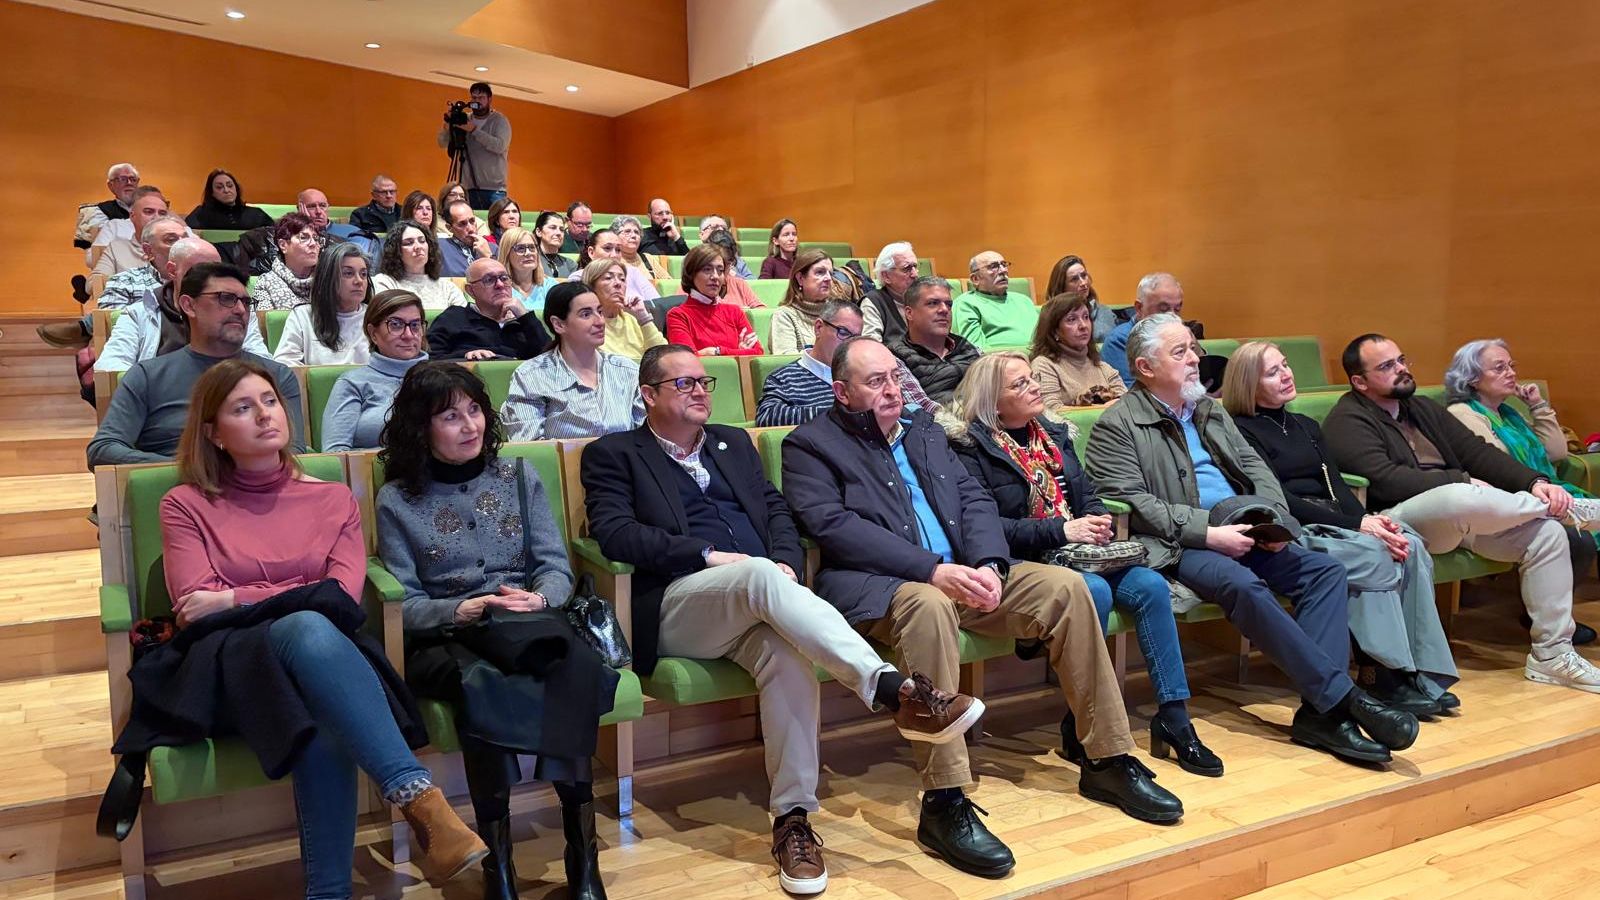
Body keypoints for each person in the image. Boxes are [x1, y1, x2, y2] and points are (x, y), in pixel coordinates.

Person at [582, 343, 981, 891]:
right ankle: (892, 691)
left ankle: (793, 820)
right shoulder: (615, 453)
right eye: (684, 384)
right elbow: (615, 533)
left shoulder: (731, 443)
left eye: (705, 382)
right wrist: (708, 557)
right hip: (679, 606)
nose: (701, 391)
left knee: (788, 657)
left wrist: (789, 565)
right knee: (757, 575)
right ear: (648, 395)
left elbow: (776, 513)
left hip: (761, 602)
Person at [783, 338, 1185, 875]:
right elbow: (834, 527)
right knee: (927, 605)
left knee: (1064, 588)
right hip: (881, 587)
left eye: (895, 377)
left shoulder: (923, 431)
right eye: (874, 381)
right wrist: (932, 569)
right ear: (842, 391)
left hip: (964, 574)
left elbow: (973, 498)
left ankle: (1106, 757)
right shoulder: (809, 444)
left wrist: (992, 564)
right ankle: (945, 800)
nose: (891, 389)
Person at [158, 358, 486, 896]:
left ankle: (330, 893)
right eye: (243, 408)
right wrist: (287, 597)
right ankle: (418, 799)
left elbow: (343, 595)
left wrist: (233, 596)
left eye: (269, 401)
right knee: (307, 629)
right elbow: (193, 605)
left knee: (317, 685)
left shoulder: (333, 497)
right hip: (233, 665)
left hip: (320, 659)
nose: (265, 415)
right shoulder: (186, 504)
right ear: (214, 434)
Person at [1083, 314, 1420, 765]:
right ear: (1145, 367)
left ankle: (1322, 715)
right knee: (1243, 584)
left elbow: (1259, 471)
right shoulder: (1117, 425)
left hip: (1247, 526)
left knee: (1324, 572)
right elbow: (1132, 502)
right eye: (1180, 352)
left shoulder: (1208, 408)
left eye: (1193, 349)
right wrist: (1210, 533)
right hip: (1181, 546)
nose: (1194, 360)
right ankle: (1343, 700)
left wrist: (1274, 522)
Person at [376, 362, 616, 900]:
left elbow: (554, 566)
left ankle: (583, 858)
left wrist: (541, 597)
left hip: (528, 620)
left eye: (474, 411)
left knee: (574, 666)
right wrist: (458, 610)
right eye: (449, 416)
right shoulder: (397, 499)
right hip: (451, 634)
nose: (469, 425)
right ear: (421, 427)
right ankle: (498, 867)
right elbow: (407, 605)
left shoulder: (518, 476)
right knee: (483, 684)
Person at [947, 352, 1220, 775]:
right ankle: (1084, 719)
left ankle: (1173, 716)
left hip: (1079, 555)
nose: (1034, 388)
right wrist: (1062, 531)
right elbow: (985, 526)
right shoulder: (970, 448)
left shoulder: (1054, 433)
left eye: (1032, 380)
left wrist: (1096, 522)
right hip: (1029, 563)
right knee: (1091, 591)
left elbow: (1086, 493)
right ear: (992, 401)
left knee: (1148, 585)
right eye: (1019, 385)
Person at [1324, 334, 1600, 691]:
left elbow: (1477, 451)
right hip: (1400, 520)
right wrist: (1462, 479)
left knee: (1546, 535)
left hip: (1460, 515)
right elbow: (1386, 480)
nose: (1402, 370)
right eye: (1387, 366)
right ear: (1359, 382)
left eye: (1401, 360)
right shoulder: (1346, 420)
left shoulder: (1422, 408)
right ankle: (1574, 511)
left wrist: (1534, 482)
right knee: (1459, 494)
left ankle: (1552, 655)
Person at [1223, 341, 1460, 715]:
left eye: (1285, 365)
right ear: (1247, 384)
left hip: (1336, 520)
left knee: (1407, 542)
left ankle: (1421, 670)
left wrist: (1373, 521)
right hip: (1297, 527)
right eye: (1273, 372)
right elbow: (1279, 499)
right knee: (1375, 555)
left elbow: (1336, 485)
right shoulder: (1240, 431)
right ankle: (1380, 673)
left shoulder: (1304, 424)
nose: (1287, 374)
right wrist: (1358, 524)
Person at [88, 262, 306, 467]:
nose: (240, 310)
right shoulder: (147, 376)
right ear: (189, 305)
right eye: (226, 298)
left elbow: (294, 451)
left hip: (259, 490)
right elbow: (103, 450)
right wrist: (193, 470)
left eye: (246, 302)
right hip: (172, 485)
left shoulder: (277, 375)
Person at [1445, 338, 1600, 580]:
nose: (1511, 373)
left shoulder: (1509, 413)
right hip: (1512, 501)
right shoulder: (1462, 414)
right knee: (1578, 537)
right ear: (1472, 378)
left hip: (1543, 492)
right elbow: (1496, 466)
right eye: (1499, 368)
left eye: (1511, 366)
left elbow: (1556, 453)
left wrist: (1537, 406)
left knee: (1587, 527)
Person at [95, 238, 273, 373]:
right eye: (201, 269)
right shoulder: (139, 313)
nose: (211, 277)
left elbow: (261, 360)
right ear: (172, 271)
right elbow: (110, 366)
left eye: (216, 269)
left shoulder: (236, 310)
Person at [500, 282, 645, 441]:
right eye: (586, 314)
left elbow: (644, 437)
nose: (600, 322)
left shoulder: (627, 370)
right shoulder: (531, 376)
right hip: (561, 465)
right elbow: (531, 450)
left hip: (624, 464)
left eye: (600, 312)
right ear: (559, 324)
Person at [320, 290, 429, 453]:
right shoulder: (353, 383)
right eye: (396, 325)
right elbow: (336, 455)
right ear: (373, 333)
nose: (408, 335)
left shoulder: (445, 379)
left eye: (415, 325)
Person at [755, 300, 863, 427]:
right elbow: (766, 417)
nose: (849, 344)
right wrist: (838, 414)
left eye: (855, 338)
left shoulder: (861, 374)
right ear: (818, 328)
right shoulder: (784, 378)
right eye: (843, 332)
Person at [428, 258, 550, 361]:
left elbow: (551, 359)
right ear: (470, 290)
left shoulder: (524, 321)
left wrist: (525, 317)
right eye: (489, 280)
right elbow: (430, 360)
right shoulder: (453, 318)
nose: (500, 285)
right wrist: (465, 357)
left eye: (504, 278)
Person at [273, 242, 373, 366]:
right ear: (328, 278)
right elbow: (285, 364)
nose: (359, 281)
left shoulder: (375, 317)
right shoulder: (303, 316)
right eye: (348, 273)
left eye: (363, 274)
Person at [887, 277, 980, 405]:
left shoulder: (967, 347)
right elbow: (922, 407)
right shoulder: (895, 357)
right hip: (941, 422)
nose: (944, 310)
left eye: (949, 304)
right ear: (909, 313)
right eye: (933, 303)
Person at [1030, 293, 1127, 411]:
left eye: (1086, 317)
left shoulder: (1103, 367)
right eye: (1071, 319)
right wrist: (1103, 409)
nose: (1083, 325)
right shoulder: (1044, 365)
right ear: (1054, 331)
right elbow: (1050, 412)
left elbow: (1127, 405)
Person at [665, 246, 763, 356]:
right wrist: (738, 352)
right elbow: (687, 358)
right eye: (707, 269)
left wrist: (716, 351)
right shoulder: (678, 315)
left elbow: (758, 352)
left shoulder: (735, 312)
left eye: (720, 270)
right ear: (691, 274)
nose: (715, 276)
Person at [1100, 273, 1184, 387]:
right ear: (1139, 308)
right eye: (1164, 310)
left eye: (1177, 309)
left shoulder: (1181, 335)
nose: (1173, 318)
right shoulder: (1119, 340)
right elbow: (1128, 393)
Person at [437, 82, 512, 209]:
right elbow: (442, 143)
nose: (477, 101)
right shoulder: (464, 119)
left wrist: (473, 130)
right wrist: (448, 123)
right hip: (468, 187)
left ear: (489, 99)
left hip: (494, 189)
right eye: (474, 98)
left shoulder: (499, 120)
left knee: (495, 225)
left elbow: (500, 146)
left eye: (481, 98)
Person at [581, 258, 666, 360]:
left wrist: (643, 317)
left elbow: (664, 355)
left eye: (622, 279)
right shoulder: (586, 323)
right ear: (591, 286)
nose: (618, 284)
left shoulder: (633, 319)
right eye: (608, 278)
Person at [953, 251, 1038, 351]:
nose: (1003, 271)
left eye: (1004, 264)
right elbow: (976, 349)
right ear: (975, 279)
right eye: (993, 266)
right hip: (999, 363)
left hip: (1039, 359)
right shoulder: (966, 303)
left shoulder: (1024, 300)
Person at [373, 220, 468, 310]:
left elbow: (463, 322)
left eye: (422, 241)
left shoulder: (447, 287)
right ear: (396, 251)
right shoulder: (384, 283)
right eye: (409, 243)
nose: (418, 247)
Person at [90, 186, 170, 277]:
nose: (157, 217)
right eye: (149, 212)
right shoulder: (116, 248)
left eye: (162, 213)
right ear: (132, 216)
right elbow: (94, 282)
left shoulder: (176, 247)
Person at [250, 213, 321, 311]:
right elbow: (265, 325)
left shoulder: (330, 280)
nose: (313, 243)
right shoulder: (265, 283)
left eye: (316, 238)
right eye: (304, 238)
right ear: (283, 245)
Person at [771, 250, 836, 354]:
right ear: (800, 278)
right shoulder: (785, 315)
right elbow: (786, 361)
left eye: (831, 273)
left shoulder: (838, 313)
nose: (828, 278)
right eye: (820, 272)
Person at [1045, 255, 1119, 342]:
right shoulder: (1050, 316)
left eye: (1084, 276)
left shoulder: (1104, 311)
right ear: (1061, 286)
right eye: (1074, 279)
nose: (1083, 283)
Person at [861, 241, 919, 343]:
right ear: (886, 276)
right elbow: (871, 347)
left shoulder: (922, 299)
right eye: (907, 268)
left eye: (915, 267)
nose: (915, 274)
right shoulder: (873, 302)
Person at [184, 169, 275, 231]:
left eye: (230, 185)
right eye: (219, 187)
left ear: (236, 188)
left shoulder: (256, 214)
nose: (226, 190)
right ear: (212, 193)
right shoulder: (200, 214)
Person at [75, 162, 138, 251]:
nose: (129, 183)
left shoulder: (154, 209)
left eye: (133, 179)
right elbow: (99, 249)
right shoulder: (96, 212)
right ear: (110, 185)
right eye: (122, 179)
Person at [496, 226, 549, 315]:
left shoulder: (550, 286)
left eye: (532, 247)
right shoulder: (499, 288)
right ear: (507, 253)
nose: (528, 253)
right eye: (520, 248)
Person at [704, 230, 762, 307]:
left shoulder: (740, 284)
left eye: (724, 265)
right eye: (711, 266)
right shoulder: (694, 285)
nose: (716, 275)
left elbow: (760, 310)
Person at [439, 200, 495, 278]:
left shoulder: (492, 248)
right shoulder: (440, 247)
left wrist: (488, 256)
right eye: (462, 224)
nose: (471, 229)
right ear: (449, 228)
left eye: (472, 221)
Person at [610, 215, 667, 282]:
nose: (634, 236)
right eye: (627, 231)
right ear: (615, 236)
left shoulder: (648, 258)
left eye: (637, 232)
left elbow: (668, 283)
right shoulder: (612, 260)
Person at [697, 214, 755, 279]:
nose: (720, 230)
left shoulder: (737, 260)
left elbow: (752, 282)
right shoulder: (694, 259)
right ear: (702, 234)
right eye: (714, 227)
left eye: (724, 228)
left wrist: (733, 274)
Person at [533, 211, 576, 279]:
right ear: (539, 232)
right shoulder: (531, 261)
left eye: (561, 229)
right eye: (553, 228)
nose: (558, 233)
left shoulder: (570, 264)